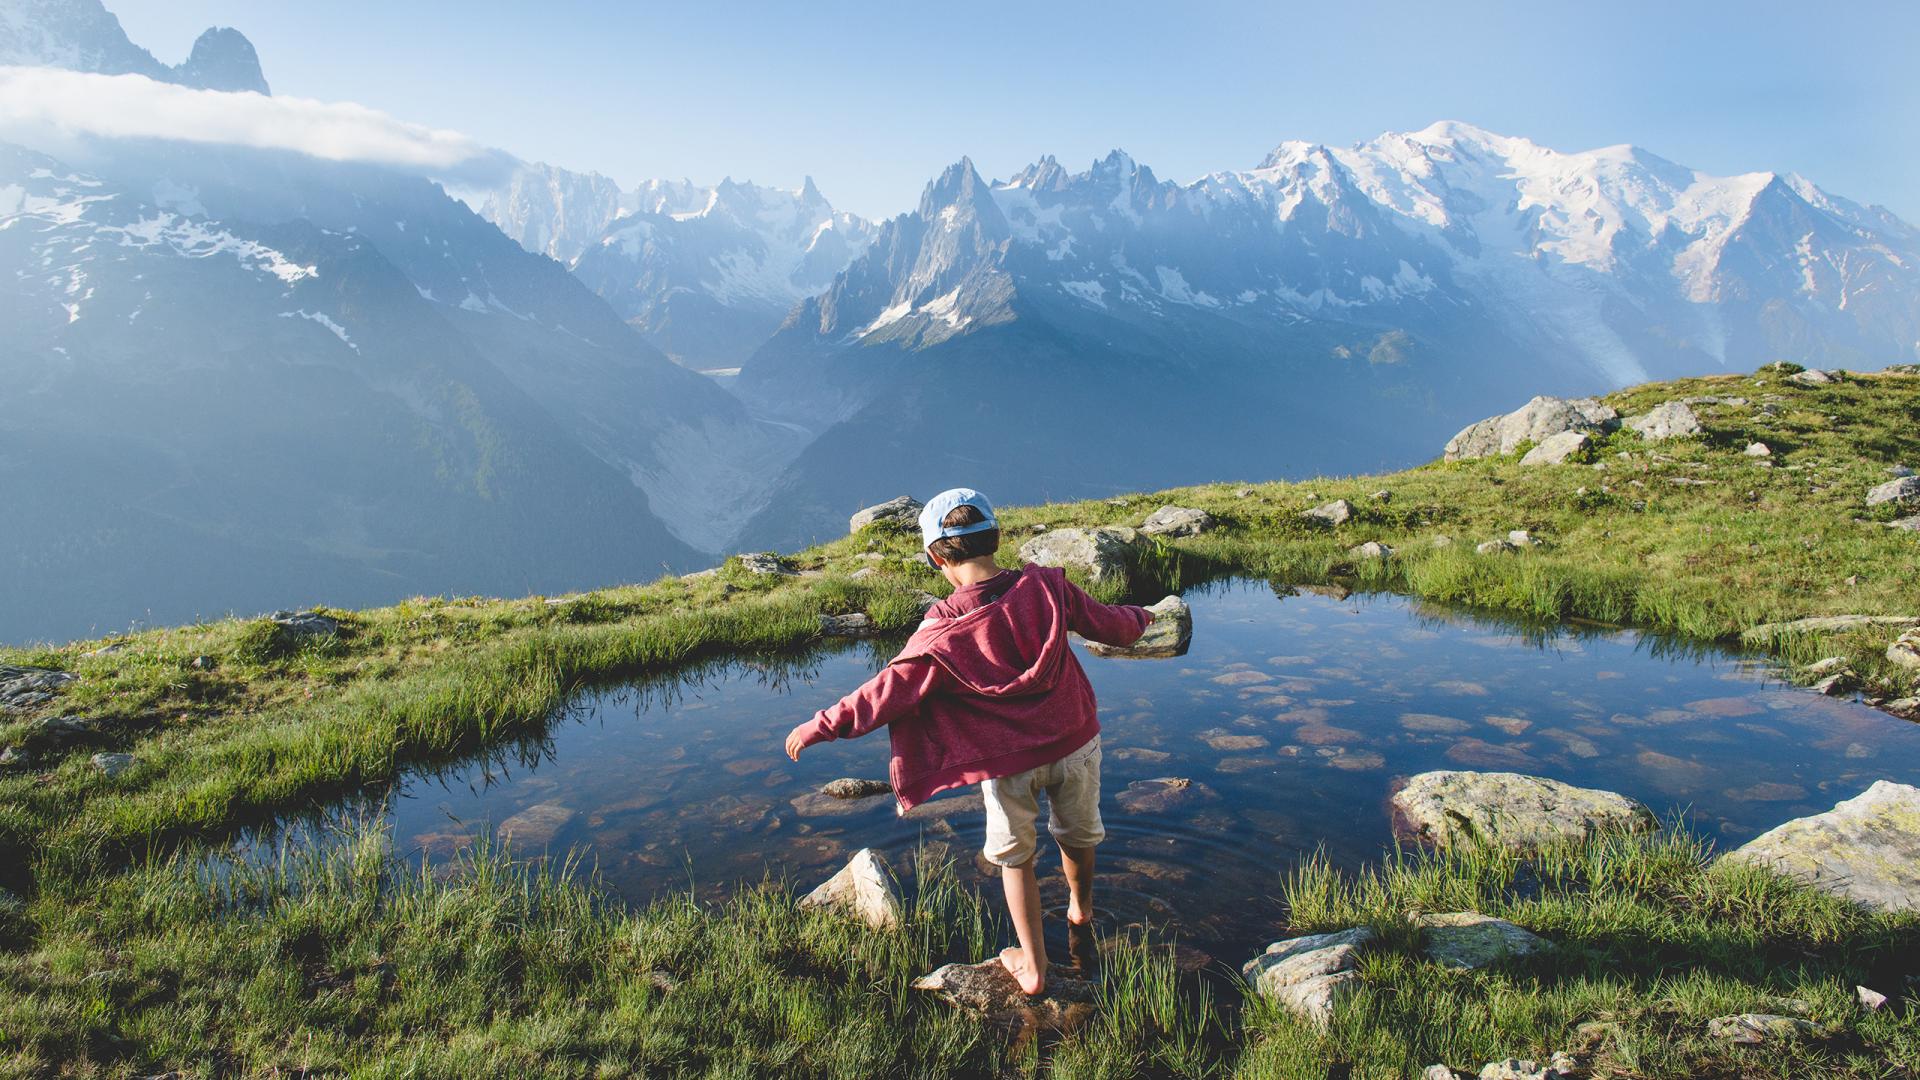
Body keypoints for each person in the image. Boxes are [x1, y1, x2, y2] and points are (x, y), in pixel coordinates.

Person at [784, 487, 1154, 995]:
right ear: (996, 538)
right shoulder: (1048, 587)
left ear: (938, 558)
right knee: (1079, 832)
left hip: (1008, 763)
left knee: (1014, 856)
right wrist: (1146, 616)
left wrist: (821, 724)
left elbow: (887, 691)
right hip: (1075, 740)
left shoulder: (941, 627)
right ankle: (1080, 908)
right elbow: (1113, 626)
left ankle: (1034, 967)